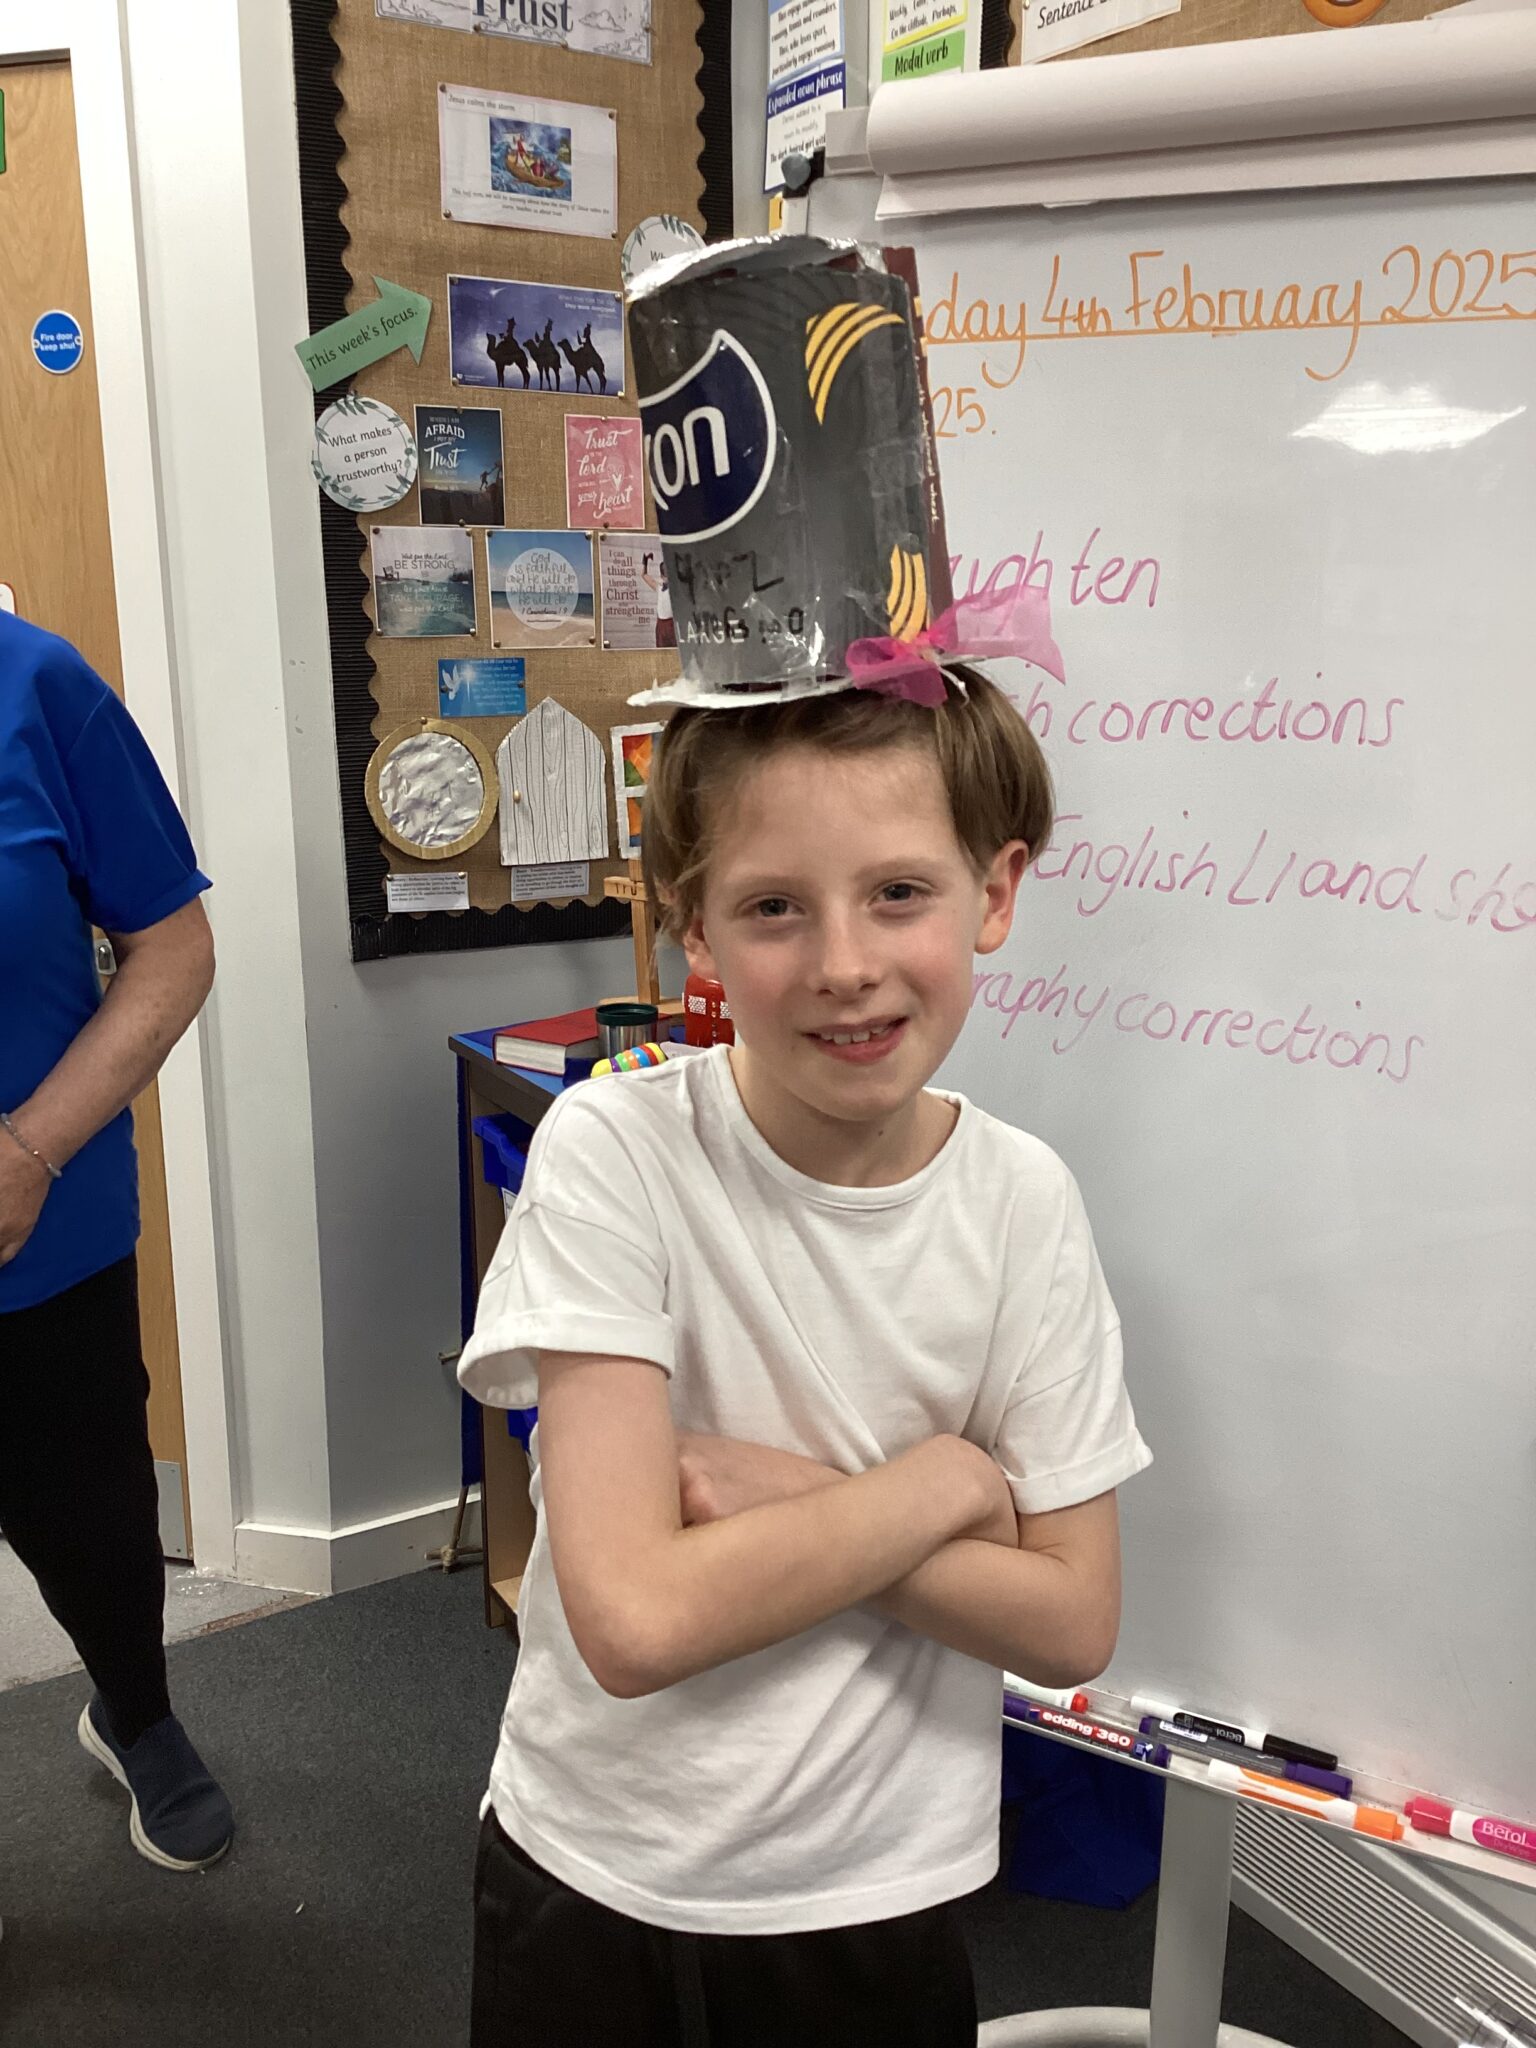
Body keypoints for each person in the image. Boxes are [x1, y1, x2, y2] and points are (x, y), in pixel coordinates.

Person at [458, 667, 1152, 2043]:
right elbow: (637, 1623)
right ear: (695, 927)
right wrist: (946, 1485)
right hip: (598, 1868)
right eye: (775, 905)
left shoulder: (1022, 1204)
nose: (843, 962)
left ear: (995, 891)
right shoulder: (616, 1153)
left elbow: (1073, 1622)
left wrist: (782, 1494)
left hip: (877, 1894)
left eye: (899, 891)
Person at [0, 611, 232, 1872]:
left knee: (92, 1521)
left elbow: (172, 946)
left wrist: (28, 1151)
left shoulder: (35, 683)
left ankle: (135, 1710)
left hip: (41, 1232)